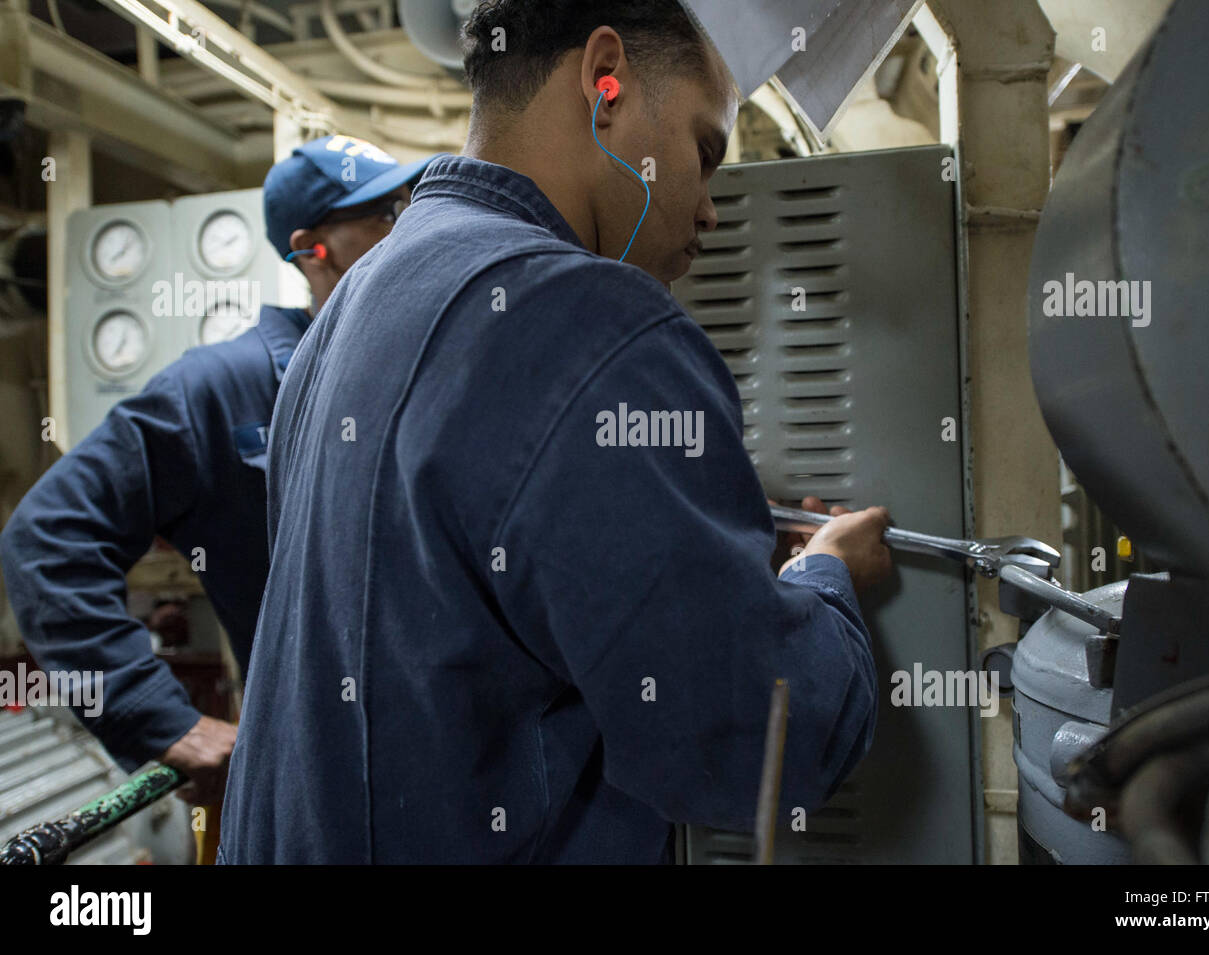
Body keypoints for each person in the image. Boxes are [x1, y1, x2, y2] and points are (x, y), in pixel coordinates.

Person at [218, 0, 892, 864]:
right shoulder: (587, 317)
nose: (713, 210)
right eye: (704, 148)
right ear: (604, 81)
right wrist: (830, 575)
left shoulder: (353, 302)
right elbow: (753, 741)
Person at [0, 136, 429, 805]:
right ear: (312, 249)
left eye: (410, 206)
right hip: (328, 791)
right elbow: (48, 540)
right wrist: (156, 715)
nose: (411, 231)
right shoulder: (220, 389)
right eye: (382, 216)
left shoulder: (439, 362)